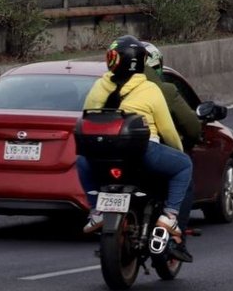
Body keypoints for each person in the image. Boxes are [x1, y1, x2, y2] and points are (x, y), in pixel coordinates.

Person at [78, 35, 194, 263]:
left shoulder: (99, 86)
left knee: (81, 161)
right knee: (184, 166)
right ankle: (170, 216)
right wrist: (178, 151)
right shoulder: (150, 90)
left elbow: (87, 115)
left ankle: (96, 211)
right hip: (142, 154)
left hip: (103, 157)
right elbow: (167, 130)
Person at [141, 41, 204, 233]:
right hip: (149, 152)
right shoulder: (162, 91)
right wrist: (183, 144)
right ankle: (176, 234)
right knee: (184, 168)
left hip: (109, 154)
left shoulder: (107, 88)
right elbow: (189, 127)